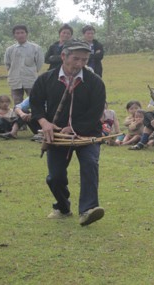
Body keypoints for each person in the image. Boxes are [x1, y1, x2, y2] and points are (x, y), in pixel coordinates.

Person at [30, 39, 106, 226]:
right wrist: (44, 122)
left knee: (90, 164)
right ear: (63, 56)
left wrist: (74, 128)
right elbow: (35, 104)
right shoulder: (46, 79)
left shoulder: (95, 82)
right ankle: (63, 207)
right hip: (56, 136)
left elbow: (95, 113)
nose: (80, 64)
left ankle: (88, 210)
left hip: (87, 134)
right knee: (55, 177)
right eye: (76, 59)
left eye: (84, 60)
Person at [4, 25, 44, 105]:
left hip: (30, 79)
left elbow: (39, 63)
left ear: (26, 34)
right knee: (17, 103)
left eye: (22, 32)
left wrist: (31, 71)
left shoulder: (35, 48)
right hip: (15, 80)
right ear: (14, 35)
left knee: (34, 100)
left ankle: (35, 117)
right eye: (17, 33)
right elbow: (7, 64)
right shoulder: (10, 50)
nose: (20, 35)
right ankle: (20, 117)